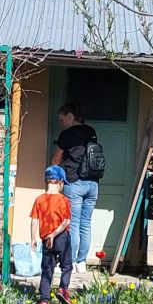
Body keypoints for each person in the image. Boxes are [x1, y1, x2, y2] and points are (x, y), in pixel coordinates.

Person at [50, 101, 99, 272]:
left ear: (70, 117)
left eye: (61, 119)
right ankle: (82, 262)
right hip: (93, 184)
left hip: (75, 183)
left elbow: (56, 160)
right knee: (86, 223)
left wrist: (52, 178)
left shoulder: (67, 135)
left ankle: (68, 261)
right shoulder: (91, 132)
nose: (60, 123)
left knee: (73, 223)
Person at [30, 164, 73, 304]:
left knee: (47, 269)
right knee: (67, 265)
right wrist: (54, 234)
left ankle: (44, 301)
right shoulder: (64, 200)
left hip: (45, 239)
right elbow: (66, 221)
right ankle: (62, 289)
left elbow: (34, 220)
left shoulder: (39, 199)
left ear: (46, 181)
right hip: (61, 237)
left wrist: (33, 238)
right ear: (60, 183)